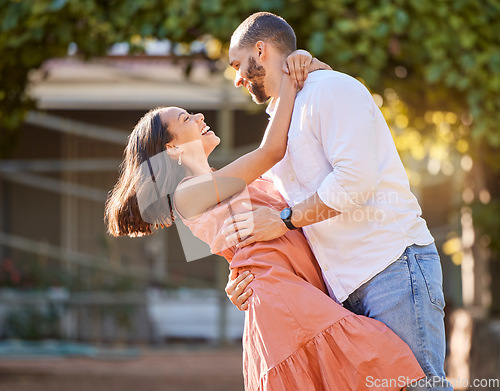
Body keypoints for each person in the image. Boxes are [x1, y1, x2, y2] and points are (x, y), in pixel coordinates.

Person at [105, 52, 425, 390]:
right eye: (186, 118)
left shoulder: (224, 182)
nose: (199, 116)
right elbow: (272, 150)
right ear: (172, 148)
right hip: (287, 303)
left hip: (303, 291)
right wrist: (289, 80)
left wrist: (315, 71)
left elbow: (240, 247)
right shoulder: (187, 195)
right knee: (386, 367)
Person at [223, 12, 452, 391]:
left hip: (391, 268)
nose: (237, 78)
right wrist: (246, 276)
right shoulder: (281, 121)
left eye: (237, 64)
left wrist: (283, 219)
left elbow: (354, 182)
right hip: (340, 291)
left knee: (420, 387)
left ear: (260, 50)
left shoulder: (330, 90)